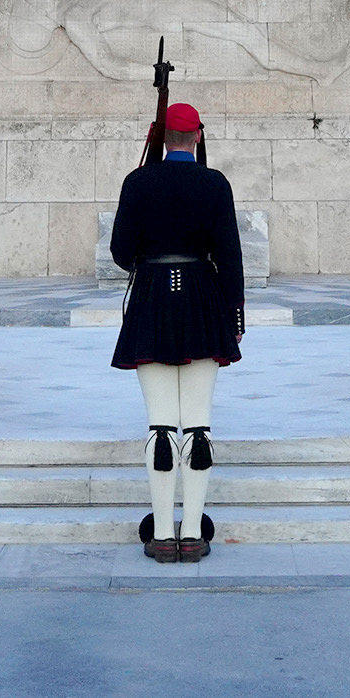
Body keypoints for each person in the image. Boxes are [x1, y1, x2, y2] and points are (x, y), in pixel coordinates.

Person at [109, 100, 242, 561]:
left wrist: (150, 264)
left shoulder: (137, 181)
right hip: (203, 301)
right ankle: (193, 534)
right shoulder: (214, 183)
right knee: (198, 425)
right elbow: (230, 256)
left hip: (150, 301)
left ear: (163, 138)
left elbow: (121, 251)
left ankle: (162, 534)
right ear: (197, 136)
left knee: (161, 425)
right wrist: (234, 316)